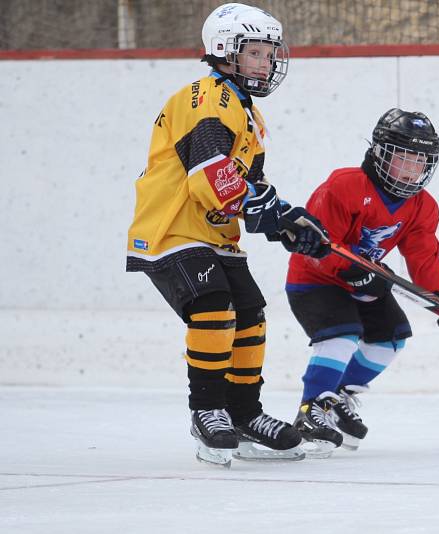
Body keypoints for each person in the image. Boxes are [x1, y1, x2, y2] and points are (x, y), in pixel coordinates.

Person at [125, 3, 329, 468]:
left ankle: (243, 413)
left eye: (270, 53)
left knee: (252, 315)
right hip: (172, 227)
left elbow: (249, 189)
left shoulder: (249, 116)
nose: (267, 62)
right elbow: (209, 172)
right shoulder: (207, 96)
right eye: (255, 53)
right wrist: (265, 212)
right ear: (223, 51)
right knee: (215, 307)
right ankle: (208, 411)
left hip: (215, 233)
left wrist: (287, 223)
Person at [283, 108, 439, 457]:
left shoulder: (422, 206)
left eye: (420, 161)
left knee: (391, 337)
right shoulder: (344, 185)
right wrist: (349, 271)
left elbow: (423, 258)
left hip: (365, 280)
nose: (412, 169)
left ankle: (336, 396)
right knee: (342, 333)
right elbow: (317, 247)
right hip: (315, 279)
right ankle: (311, 410)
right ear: (381, 152)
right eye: (404, 158)